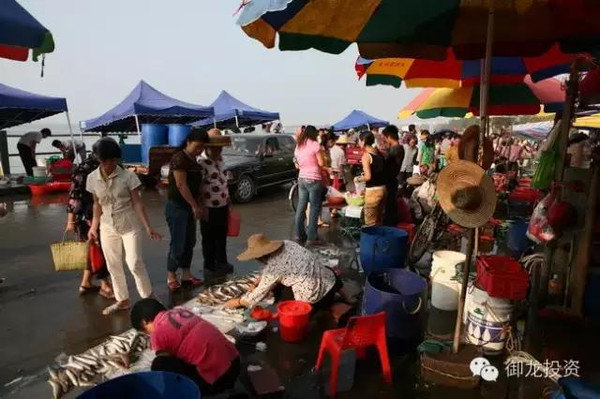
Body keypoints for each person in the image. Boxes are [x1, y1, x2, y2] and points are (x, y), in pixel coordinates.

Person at [87, 138, 162, 315]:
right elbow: (97, 204)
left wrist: (148, 226)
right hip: (107, 226)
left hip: (129, 223)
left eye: (114, 160)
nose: (111, 164)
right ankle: (123, 300)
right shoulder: (92, 178)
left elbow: (137, 203)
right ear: (100, 160)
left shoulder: (128, 176)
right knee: (113, 264)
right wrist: (93, 227)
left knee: (134, 262)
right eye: (107, 160)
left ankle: (149, 297)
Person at [131, 298, 240, 395]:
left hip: (217, 380)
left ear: (144, 322)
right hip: (235, 364)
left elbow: (165, 362)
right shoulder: (180, 311)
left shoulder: (158, 332)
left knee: (159, 364)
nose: (149, 334)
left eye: (146, 331)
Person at [225, 234, 341, 310]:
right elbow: (273, 268)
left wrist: (237, 302)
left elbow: (253, 299)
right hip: (331, 282)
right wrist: (257, 283)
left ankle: (328, 308)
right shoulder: (287, 243)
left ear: (259, 257)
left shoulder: (273, 269)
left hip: (313, 299)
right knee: (321, 269)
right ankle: (338, 295)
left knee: (282, 299)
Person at [66, 146, 113, 298]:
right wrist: (70, 221)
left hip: (97, 213)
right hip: (89, 215)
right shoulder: (86, 169)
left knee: (91, 249)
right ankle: (105, 285)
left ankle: (85, 283)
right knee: (100, 249)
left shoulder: (108, 164)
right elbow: (75, 195)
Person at [165, 129, 208, 291]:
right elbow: (181, 185)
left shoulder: (193, 160)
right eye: (197, 146)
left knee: (190, 241)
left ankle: (187, 274)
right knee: (178, 242)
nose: (200, 150)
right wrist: (194, 205)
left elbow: (197, 186)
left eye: (202, 148)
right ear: (188, 141)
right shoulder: (179, 158)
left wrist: (199, 204)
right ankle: (171, 275)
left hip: (190, 207)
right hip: (177, 207)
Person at [198, 129, 234, 277]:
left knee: (221, 235)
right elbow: (198, 186)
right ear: (208, 147)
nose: (218, 150)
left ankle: (222, 262)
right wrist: (201, 206)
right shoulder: (201, 162)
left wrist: (228, 198)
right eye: (215, 147)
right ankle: (209, 266)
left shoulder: (220, 160)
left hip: (223, 204)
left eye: (220, 147)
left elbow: (223, 180)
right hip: (208, 206)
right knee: (208, 238)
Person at [294, 125, 325, 244]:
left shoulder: (299, 145)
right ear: (314, 134)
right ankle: (312, 238)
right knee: (314, 208)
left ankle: (299, 234)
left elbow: (296, 165)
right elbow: (321, 163)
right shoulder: (315, 145)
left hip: (301, 178)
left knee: (301, 207)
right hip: (313, 179)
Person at [355, 131, 387, 226]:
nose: (359, 143)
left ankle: (373, 241)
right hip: (383, 189)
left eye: (359, 141)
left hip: (373, 192)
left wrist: (358, 179)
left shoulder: (366, 156)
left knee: (370, 223)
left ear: (363, 141)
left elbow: (368, 177)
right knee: (379, 220)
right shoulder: (379, 153)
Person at [382, 125, 404, 226]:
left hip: (390, 181)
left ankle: (389, 227)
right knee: (391, 206)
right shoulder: (398, 148)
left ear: (388, 137)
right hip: (392, 180)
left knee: (389, 208)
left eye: (385, 138)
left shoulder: (396, 149)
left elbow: (386, 163)